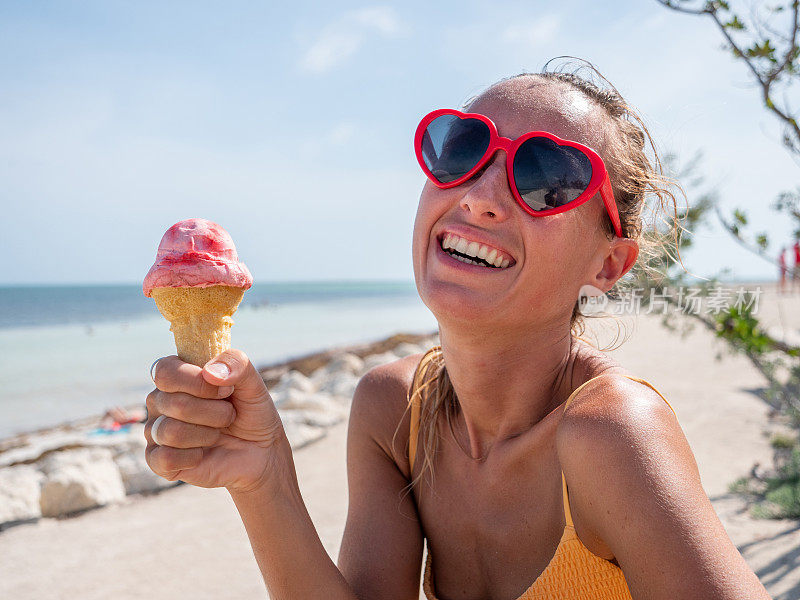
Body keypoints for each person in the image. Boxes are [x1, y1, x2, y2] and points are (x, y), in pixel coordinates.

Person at [143, 61, 771, 599]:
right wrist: (264, 478)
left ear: (608, 264)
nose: (481, 195)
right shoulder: (391, 411)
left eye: (548, 178)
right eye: (465, 148)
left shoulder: (611, 434)